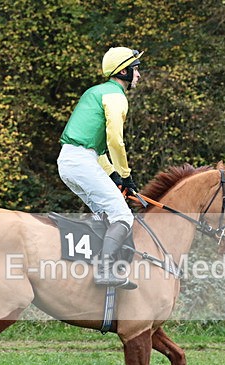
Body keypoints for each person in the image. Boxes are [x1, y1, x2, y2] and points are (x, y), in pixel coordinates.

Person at [58, 47, 143, 289]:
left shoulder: (96, 91)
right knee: (123, 215)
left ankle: (88, 267)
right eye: (135, 70)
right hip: (81, 161)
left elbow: (97, 147)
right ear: (124, 72)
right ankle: (105, 271)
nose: (138, 75)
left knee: (103, 215)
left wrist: (113, 174)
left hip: (70, 161)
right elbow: (115, 140)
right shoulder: (116, 96)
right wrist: (126, 176)